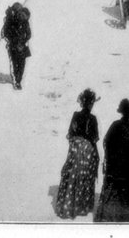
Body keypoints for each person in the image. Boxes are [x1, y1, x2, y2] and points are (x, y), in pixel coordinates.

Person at [55, 88, 101, 218]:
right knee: (84, 176)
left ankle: (69, 204)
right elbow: (94, 138)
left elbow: (70, 134)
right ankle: (82, 205)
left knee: (72, 175)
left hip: (75, 149)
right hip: (87, 151)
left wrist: (75, 146)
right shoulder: (92, 119)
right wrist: (96, 155)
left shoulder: (75, 115)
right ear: (91, 103)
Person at [2, 3, 32, 90]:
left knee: (22, 64)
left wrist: (23, 41)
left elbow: (29, 34)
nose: (23, 18)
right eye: (22, 15)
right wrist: (12, 41)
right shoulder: (11, 21)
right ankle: (16, 82)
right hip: (13, 46)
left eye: (25, 17)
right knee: (14, 64)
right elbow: (5, 33)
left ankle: (18, 80)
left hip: (22, 46)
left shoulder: (25, 22)